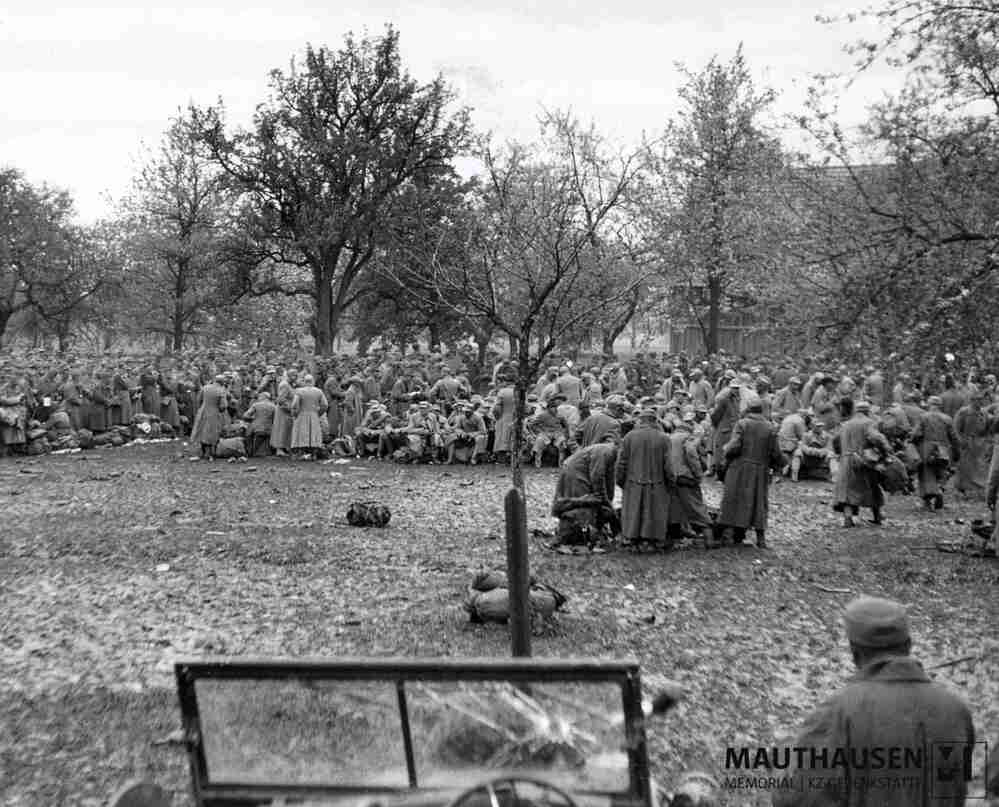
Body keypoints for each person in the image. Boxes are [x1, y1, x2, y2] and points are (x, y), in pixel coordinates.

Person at [774, 596, 975, 807]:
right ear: (908, 645)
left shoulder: (837, 713)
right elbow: (957, 787)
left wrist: (782, 763)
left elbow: (796, 797)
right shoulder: (956, 711)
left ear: (854, 652)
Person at [716, 400, 784, 548]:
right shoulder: (770, 427)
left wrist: (725, 450)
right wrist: (780, 465)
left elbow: (735, 446)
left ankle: (728, 536)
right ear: (761, 410)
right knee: (758, 503)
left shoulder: (742, 423)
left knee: (733, 499)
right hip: (760, 470)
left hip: (739, 468)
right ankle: (761, 539)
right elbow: (776, 453)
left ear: (748, 409)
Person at [615, 408, 675, 549]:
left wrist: (620, 480)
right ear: (655, 421)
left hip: (633, 481)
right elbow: (669, 465)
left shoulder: (629, 437)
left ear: (640, 420)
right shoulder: (664, 438)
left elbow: (621, 462)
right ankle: (653, 540)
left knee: (633, 511)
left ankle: (631, 538)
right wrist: (671, 482)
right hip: (657, 482)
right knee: (653, 511)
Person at [833, 399, 893, 526]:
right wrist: (887, 450)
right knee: (872, 487)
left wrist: (841, 453)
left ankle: (848, 519)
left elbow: (835, 440)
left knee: (847, 490)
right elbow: (877, 438)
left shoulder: (846, 424)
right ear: (867, 411)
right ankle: (877, 516)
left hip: (846, 460)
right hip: (864, 460)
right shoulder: (869, 423)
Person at [551, 437, 619, 546]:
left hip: (576, 470)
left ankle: (588, 533)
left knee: (589, 503)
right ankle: (576, 536)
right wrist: (602, 498)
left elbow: (609, 481)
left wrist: (607, 501)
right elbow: (597, 476)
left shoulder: (610, 454)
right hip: (575, 472)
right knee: (582, 503)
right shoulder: (606, 451)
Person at [668, 407, 712, 544]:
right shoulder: (687, 438)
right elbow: (691, 455)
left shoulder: (668, 439)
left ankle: (674, 537)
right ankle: (709, 538)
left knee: (674, 507)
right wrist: (698, 475)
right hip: (686, 477)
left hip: (672, 477)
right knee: (696, 506)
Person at [911, 395, 960, 511]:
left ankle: (927, 502)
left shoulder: (923, 417)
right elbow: (954, 437)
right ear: (940, 405)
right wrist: (956, 452)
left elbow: (916, 434)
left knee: (926, 474)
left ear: (929, 404)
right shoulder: (947, 418)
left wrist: (911, 441)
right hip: (943, 449)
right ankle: (940, 490)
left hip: (927, 449)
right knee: (942, 473)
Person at [525, 394, 570, 468]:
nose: (554, 409)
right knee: (539, 443)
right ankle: (537, 464)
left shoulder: (560, 416)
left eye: (555, 407)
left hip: (557, 433)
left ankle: (561, 465)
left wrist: (565, 434)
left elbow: (566, 426)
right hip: (545, 433)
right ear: (548, 408)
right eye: (552, 407)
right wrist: (538, 432)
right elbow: (532, 425)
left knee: (562, 444)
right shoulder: (542, 415)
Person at [190, 375, 228, 460]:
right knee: (211, 431)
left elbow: (198, 399)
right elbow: (223, 405)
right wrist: (220, 411)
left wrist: (201, 408)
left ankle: (202, 451)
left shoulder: (205, 387)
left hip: (203, 410)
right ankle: (210, 453)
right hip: (214, 412)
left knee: (202, 430)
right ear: (222, 382)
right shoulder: (221, 390)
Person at [290, 374, 328, 459]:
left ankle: (301, 453)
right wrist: (318, 413)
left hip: (302, 414)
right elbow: (325, 405)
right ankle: (313, 454)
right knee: (313, 433)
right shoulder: (318, 391)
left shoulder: (299, 391)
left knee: (302, 433)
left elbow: (294, 404)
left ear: (304, 381)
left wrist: (295, 413)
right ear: (313, 381)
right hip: (314, 414)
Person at [270, 369, 298, 458]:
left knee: (286, 429)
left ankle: (285, 447)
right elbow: (281, 400)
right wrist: (289, 408)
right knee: (281, 428)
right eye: (294, 375)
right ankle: (279, 448)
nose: (296, 377)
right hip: (283, 411)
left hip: (288, 411)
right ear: (289, 375)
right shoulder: (284, 385)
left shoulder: (289, 384)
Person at [242, 391, 276, 458]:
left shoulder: (256, 405)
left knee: (247, 433)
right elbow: (275, 420)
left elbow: (245, 416)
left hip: (257, 429)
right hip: (270, 431)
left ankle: (250, 452)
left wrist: (253, 419)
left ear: (262, 397)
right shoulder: (273, 406)